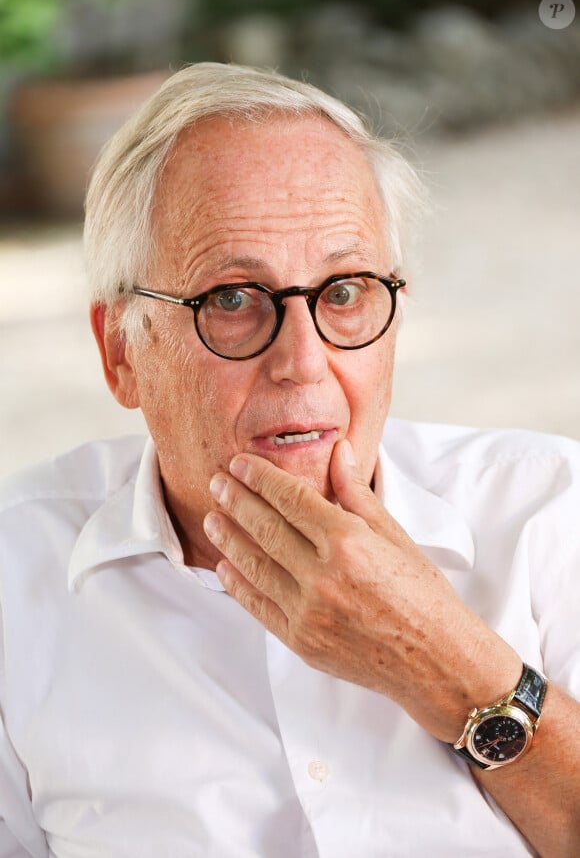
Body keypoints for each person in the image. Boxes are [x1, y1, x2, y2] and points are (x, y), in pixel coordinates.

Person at [0, 62, 578, 858]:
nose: (302, 362)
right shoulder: (16, 584)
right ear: (121, 353)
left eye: (343, 291)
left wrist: (456, 670)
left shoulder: (552, 513)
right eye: (231, 300)